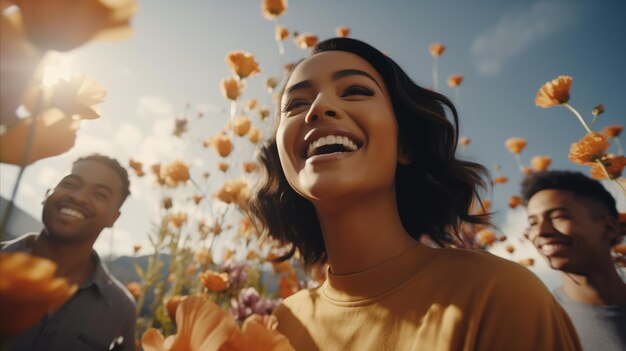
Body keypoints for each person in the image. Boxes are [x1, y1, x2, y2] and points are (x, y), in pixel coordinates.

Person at [248, 37, 581, 350]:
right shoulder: (280, 326)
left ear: (404, 144)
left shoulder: (498, 293)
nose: (318, 108)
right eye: (295, 104)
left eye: (354, 90)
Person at [1, 154, 136, 351]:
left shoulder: (121, 309)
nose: (78, 197)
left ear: (113, 218)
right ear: (47, 193)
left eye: (100, 194)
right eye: (71, 184)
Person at [522, 170, 626, 351]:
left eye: (557, 217)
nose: (540, 231)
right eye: (533, 223)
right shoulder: (533, 326)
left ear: (609, 228)